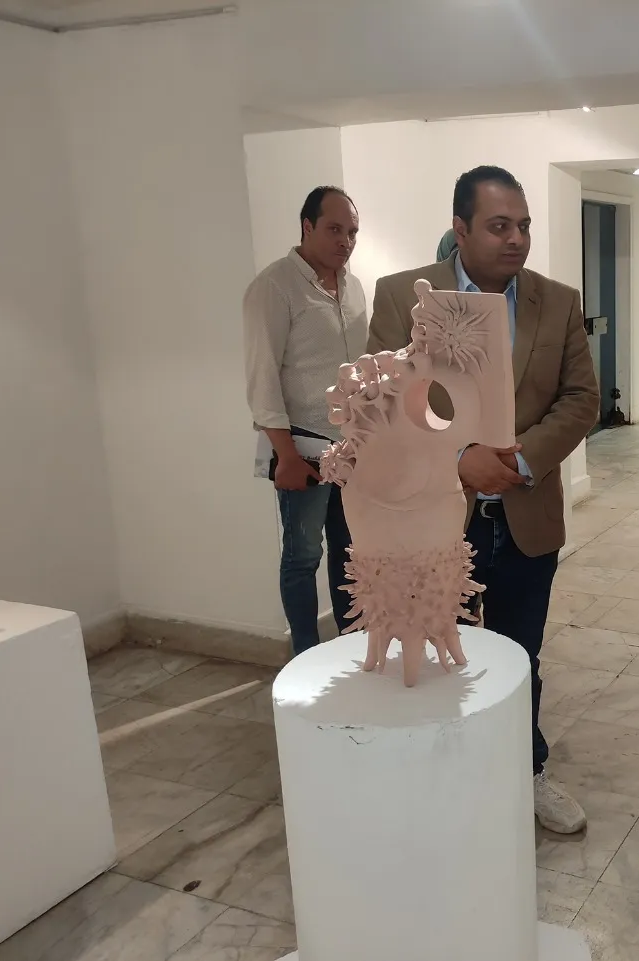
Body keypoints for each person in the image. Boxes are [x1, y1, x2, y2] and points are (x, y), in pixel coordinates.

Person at [366, 166, 599, 835]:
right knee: (439, 657)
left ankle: (526, 771)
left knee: (520, 656)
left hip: (525, 517)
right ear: (461, 229)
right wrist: (458, 458)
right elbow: (385, 401)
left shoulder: (557, 301)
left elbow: (581, 398)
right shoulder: (404, 297)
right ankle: (443, 777)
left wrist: (519, 460)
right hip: (437, 519)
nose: (516, 238)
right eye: (500, 226)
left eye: (523, 225)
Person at [243, 186, 367, 656]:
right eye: (335, 229)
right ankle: (305, 655)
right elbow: (263, 378)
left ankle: (352, 648)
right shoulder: (275, 287)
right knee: (303, 556)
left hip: (353, 447)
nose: (345, 241)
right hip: (303, 446)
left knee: (350, 551)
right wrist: (286, 456)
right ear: (307, 226)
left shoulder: (353, 287)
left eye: (352, 232)